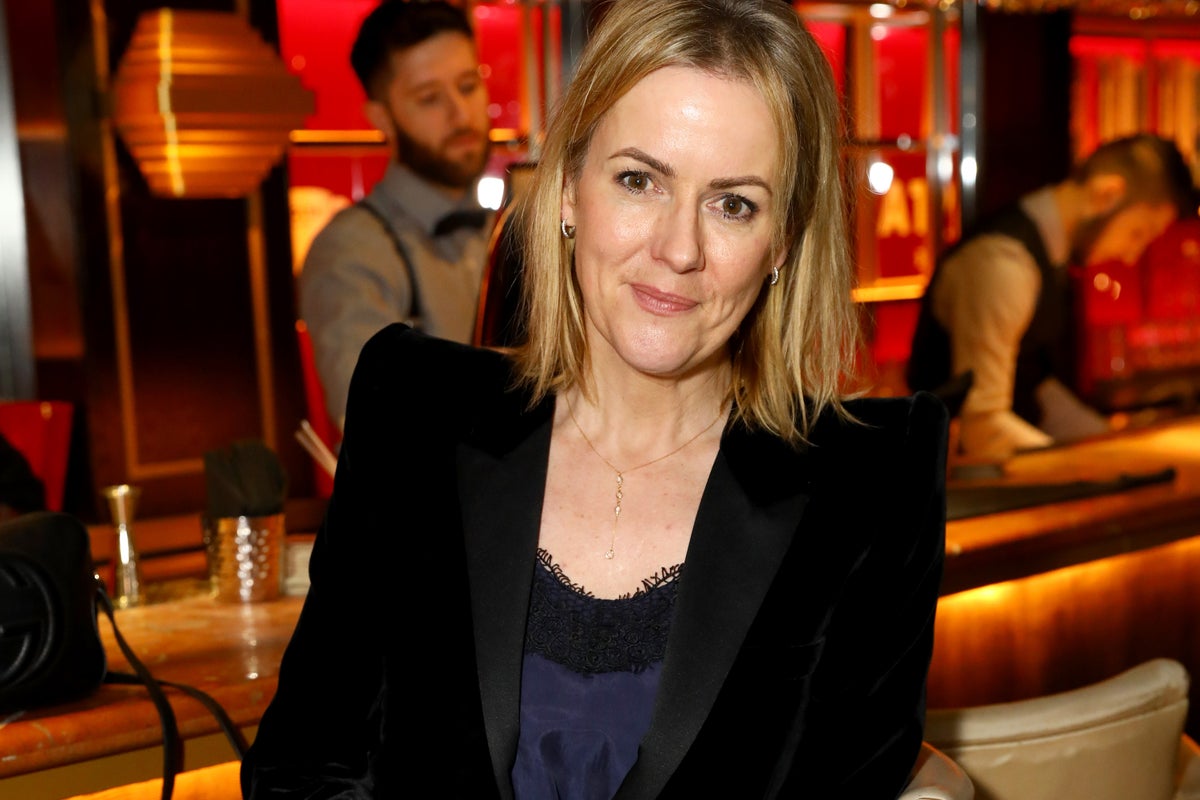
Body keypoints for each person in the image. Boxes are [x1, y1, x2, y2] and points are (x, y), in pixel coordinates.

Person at [243, 0, 948, 797]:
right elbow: (303, 768)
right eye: (639, 180)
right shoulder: (413, 410)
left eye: (734, 204)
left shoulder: (873, 481)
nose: (679, 249)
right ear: (569, 189)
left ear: (782, 241)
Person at [907, 134, 1197, 461]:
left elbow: (1035, 386)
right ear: (1107, 194)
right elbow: (982, 426)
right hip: (949, 477)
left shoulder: (1047, 253)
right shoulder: (1003, 263)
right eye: (1138, 233)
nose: (1131, 256)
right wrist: (1089, 462)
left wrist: (1111, 446)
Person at [299, 0, 495, 429]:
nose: (461, 114)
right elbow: (379, 426)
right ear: (382, 118)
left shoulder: (509, 231)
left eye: (468, 86)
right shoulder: (351, 252)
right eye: (429, 98)